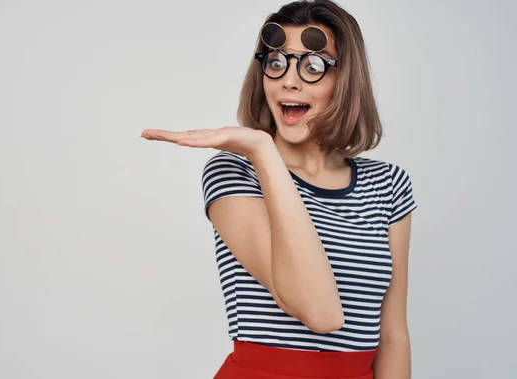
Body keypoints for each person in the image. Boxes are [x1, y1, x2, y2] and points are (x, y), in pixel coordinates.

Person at [141, 0, 417, 377]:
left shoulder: (388, 184)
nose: (289, 80)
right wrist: (263, 151)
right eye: (276, 63)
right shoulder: (236, 170)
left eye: (313, 66)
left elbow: (393, 336)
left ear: (346, 79)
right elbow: (320, 312)